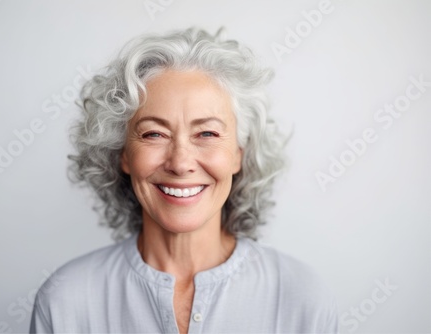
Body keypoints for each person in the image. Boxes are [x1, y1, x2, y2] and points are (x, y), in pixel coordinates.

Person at [29, 27, 338, 333]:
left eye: (207, 133)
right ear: (123, 154)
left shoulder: (301, 299)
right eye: (154, 133)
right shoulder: (65, 301)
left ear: (238, 155)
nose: (180, 163)